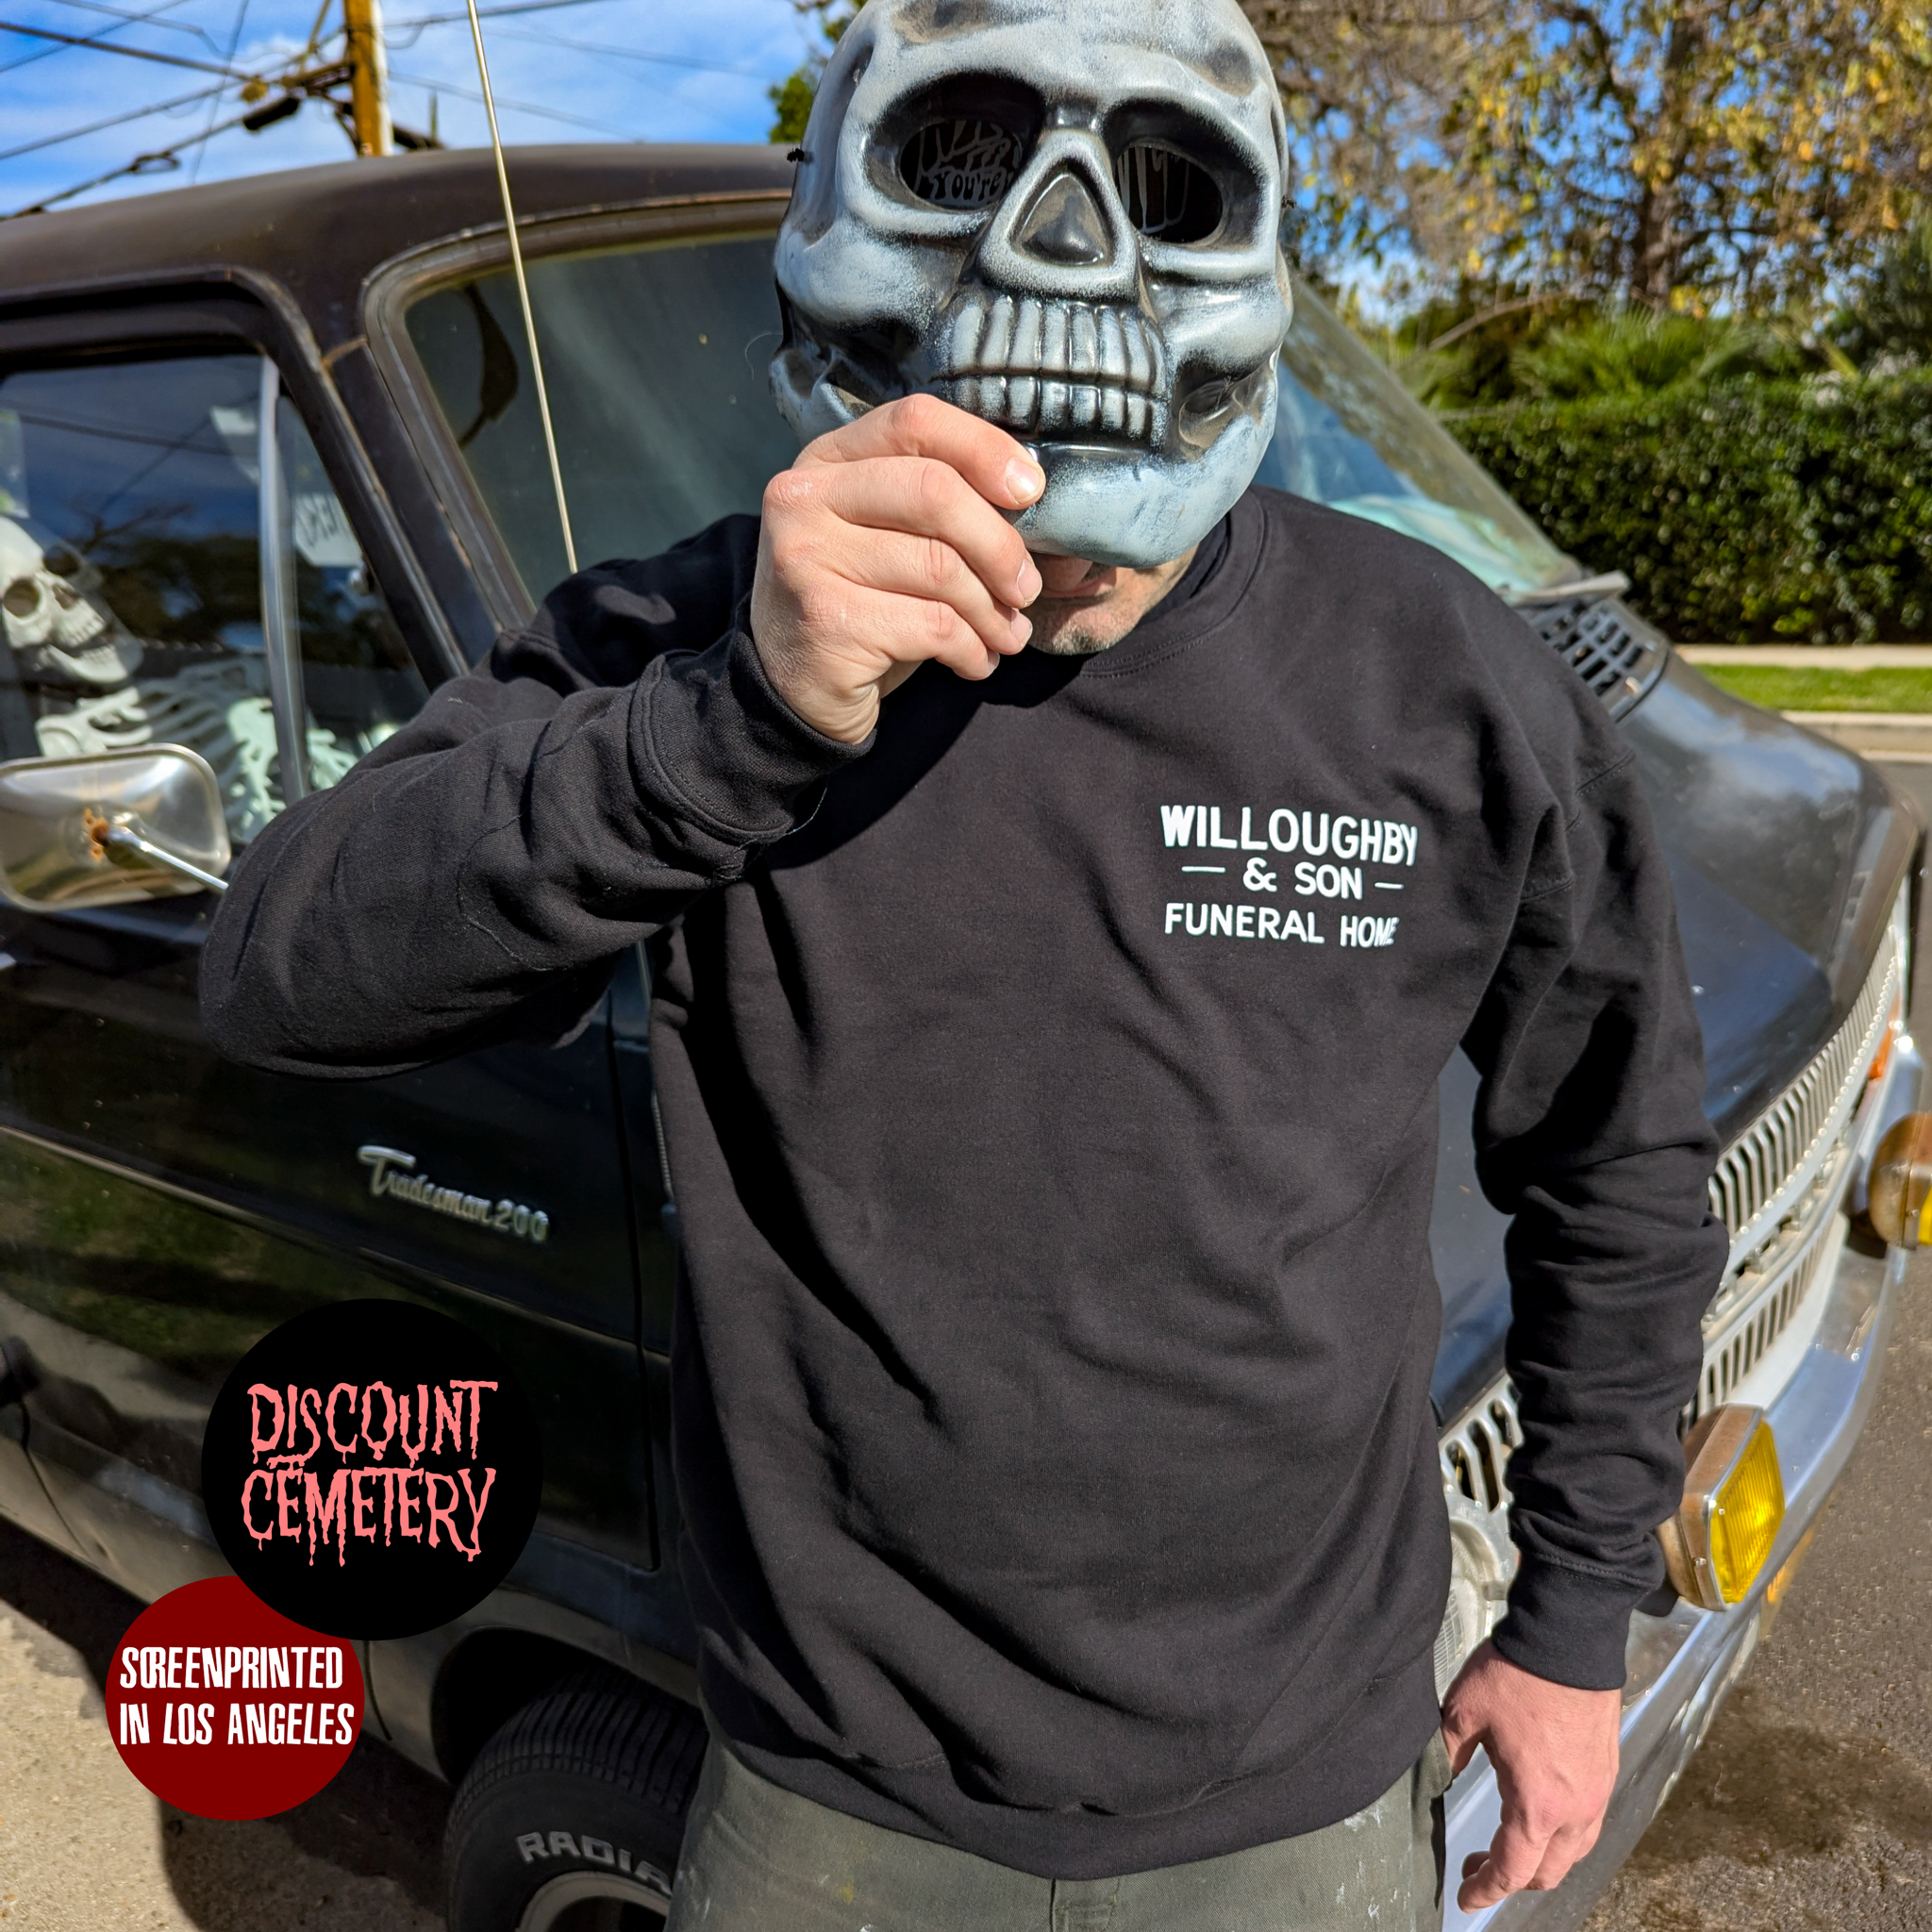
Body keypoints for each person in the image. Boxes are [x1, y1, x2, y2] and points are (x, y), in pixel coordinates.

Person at [202, 388, 1724, 1928]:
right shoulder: (714, 631)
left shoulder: (1436, 666)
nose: (1073, 545)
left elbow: (1620, 1151)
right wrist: (734, 723)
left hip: (1298, 1790)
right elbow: (278, 972)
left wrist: (1574, 1620)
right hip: (826, 1793)